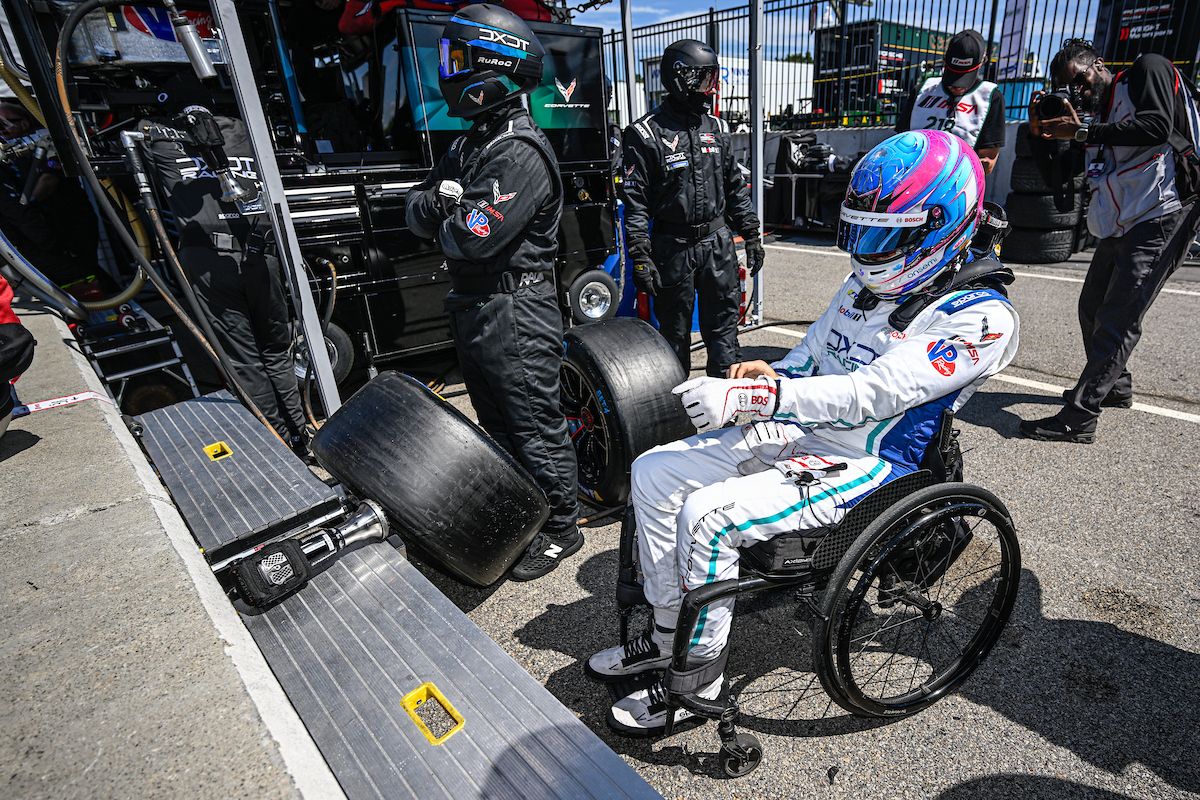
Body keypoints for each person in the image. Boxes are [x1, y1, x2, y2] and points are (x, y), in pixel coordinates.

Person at [586, 130, 1020, 735]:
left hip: (870, 462)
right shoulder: (863, 284)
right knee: (653, 471)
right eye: (860, 233)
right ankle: (666, 639)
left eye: (884, 237)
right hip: (800, 426)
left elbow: (874, 393)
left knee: (709, 518)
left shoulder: (982, 317)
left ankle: (697, 683)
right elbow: (811, 356)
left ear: (940, 226)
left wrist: (764, 398)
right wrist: (772, 376)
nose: (867, 252)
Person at [405, 5, 581, 581]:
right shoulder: (470, 144)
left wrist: (447, 207)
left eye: (458, 60)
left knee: (533, 423)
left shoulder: (518, 150)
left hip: (517, 310)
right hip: (476, 306)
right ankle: (526, 513)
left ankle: (562, 527)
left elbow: (470, 238)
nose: (448, 71)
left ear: (494, 66)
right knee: (496, 423)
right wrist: (446, 205)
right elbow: (416, 209)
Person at [1018, 40, 1200, 443]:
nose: (1079, 92)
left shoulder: (1145, 71)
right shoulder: (1093, 118)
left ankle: (1079, 417)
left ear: (1099, 64)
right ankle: (1114, 386)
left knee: (1118, 317)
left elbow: (1156, 126)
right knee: (1092, 307)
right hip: (1120, 223)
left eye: (1080, 80)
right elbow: (1059, 183)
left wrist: (1083, 131)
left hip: (1164, 211)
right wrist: (1040, 137)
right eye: (1070, 88)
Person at [138, 102, 309, 450]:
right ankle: (299, 434)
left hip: (213, 261)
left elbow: (139, 138)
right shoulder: (243, 128)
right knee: (276, 352)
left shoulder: (158, 136)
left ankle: (280, 443)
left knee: (247, 360)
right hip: (260, 253)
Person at [622, 39, 765, 377]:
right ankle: (678, 403)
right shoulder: (645, 133)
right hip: (672, 248)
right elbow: (635, 203)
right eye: (702, 79)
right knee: (673, 335)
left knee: (724, 330)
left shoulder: (717, 128)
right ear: (679, 78)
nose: (708, 88)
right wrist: (640, 256)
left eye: (711, 79)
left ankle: (725, 399)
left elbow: (734, 188)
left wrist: (751, 234)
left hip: (717, 245)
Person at [0, 102, 104, 290]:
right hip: (44, 228)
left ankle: (108, 297)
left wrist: (25, 207)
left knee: (84, 269)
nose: (2, 132)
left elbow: (49, 180)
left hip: (72, 220)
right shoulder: (10, 155)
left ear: (24, 123)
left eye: (4, 125)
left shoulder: (46, 140)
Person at [895, 29, 1006, 175]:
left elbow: (988, 163)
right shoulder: (923, 90)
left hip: (957, 181)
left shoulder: (990, 97)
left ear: (981, 64)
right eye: (953, 74)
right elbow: (899, 143)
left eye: (965, 77)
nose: (957, 86)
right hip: (914, 175)